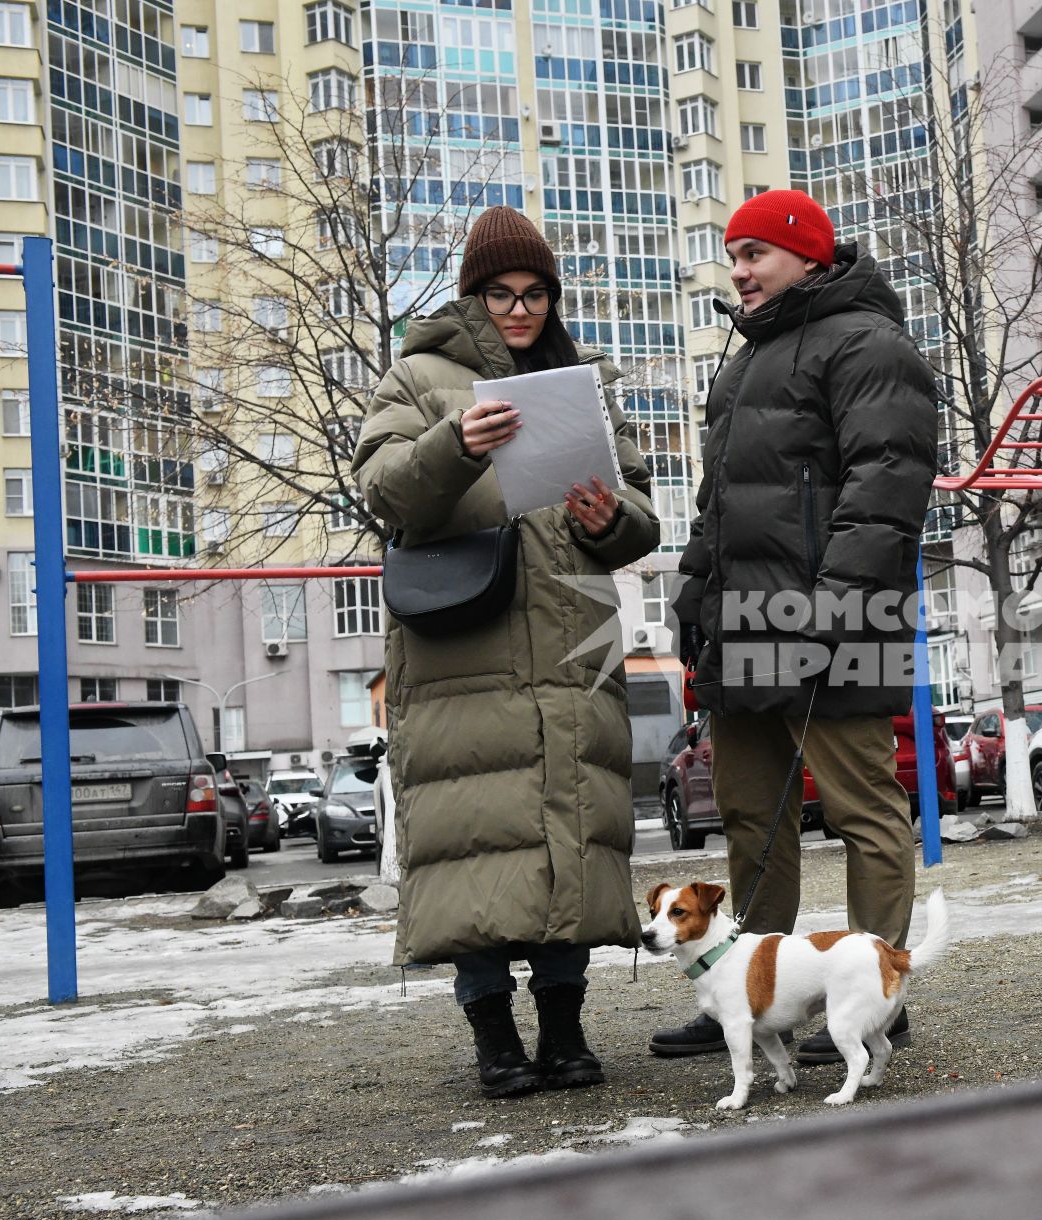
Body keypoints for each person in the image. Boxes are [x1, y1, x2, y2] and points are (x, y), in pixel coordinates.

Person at [353, 205, 661, 1098]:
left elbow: (639, 510)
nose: (519, 311)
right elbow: (383, 492)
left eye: (534, 295)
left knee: (568, 836)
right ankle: (495, 1042)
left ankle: (565, 1033)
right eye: (501, 295)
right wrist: (454, 445)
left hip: (571, 651)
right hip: (463, 654)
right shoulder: (417, 378)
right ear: (473, 295)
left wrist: (613, 519)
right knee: (473, 850)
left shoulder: (580, 381)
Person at [654, 189, 937, 1063]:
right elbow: (717, 507)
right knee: (753, 819)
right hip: (743, 623)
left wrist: (832, 609)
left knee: (862, 810)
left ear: (809, 256)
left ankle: (879, 994)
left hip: (837, 618)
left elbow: (885, 484)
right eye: (732, 256)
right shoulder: (742, 366)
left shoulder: (869, 344)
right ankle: (749, 994)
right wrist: (694, 599)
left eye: (755, 255)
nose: (737, 271)